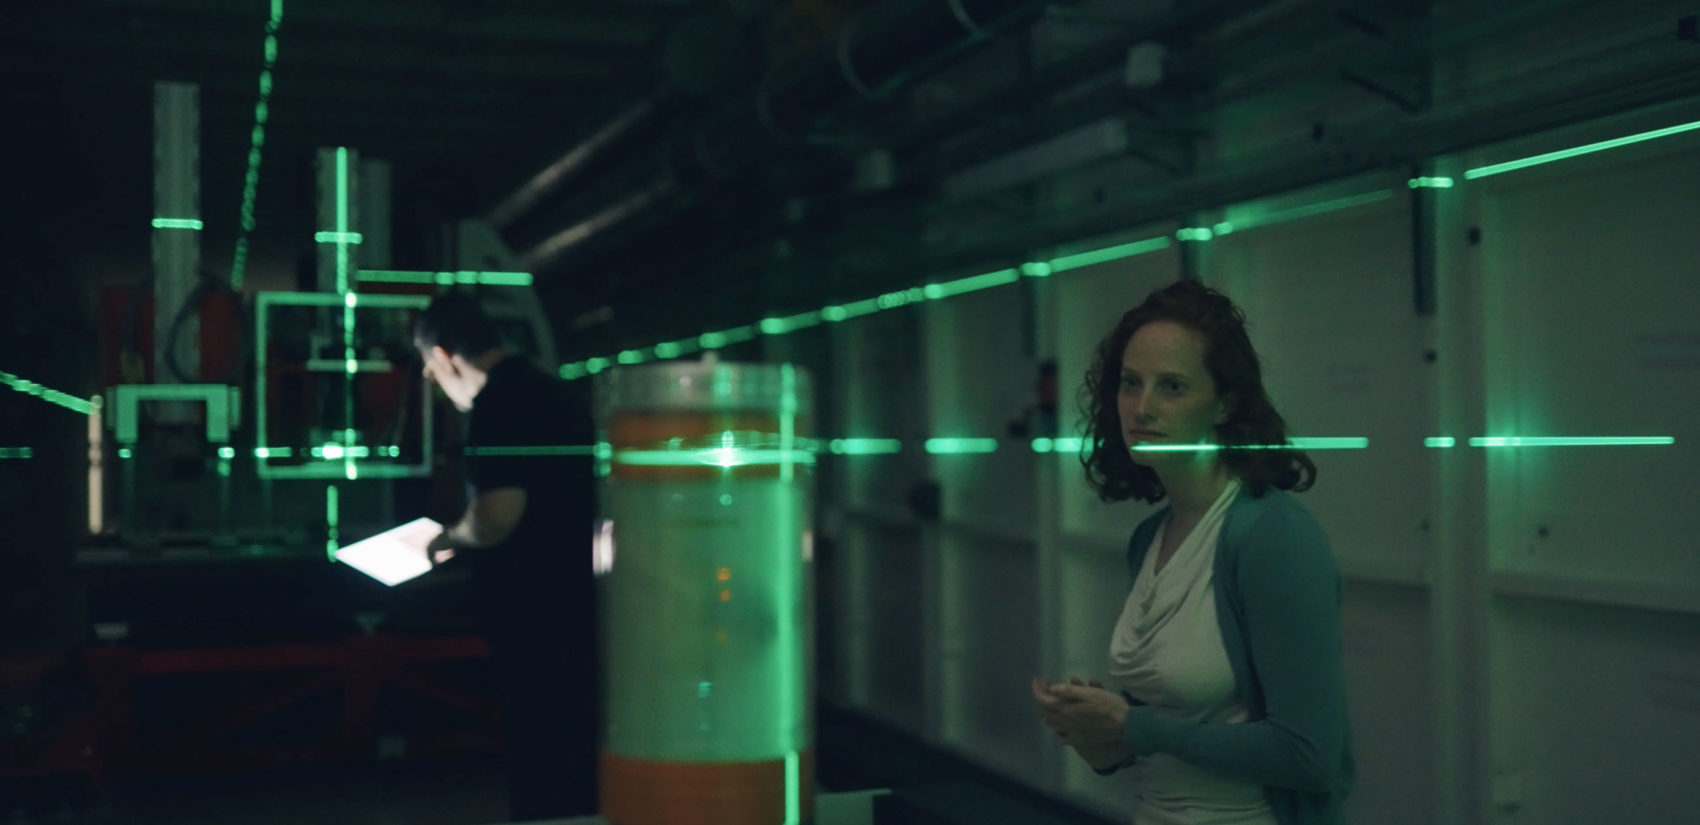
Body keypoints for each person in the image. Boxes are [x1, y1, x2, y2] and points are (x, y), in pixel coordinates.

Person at [1030, 280, 1354, 825]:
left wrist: (1134, 726)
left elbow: (1309, 757)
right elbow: (1168, 732)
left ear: (1225, 403)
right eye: (1130, 383)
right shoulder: (1150, 537)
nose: (1143, 407)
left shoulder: (1273, 536)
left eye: (1173, 387)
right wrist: (1099, 733)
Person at [413, 290, 599, 820]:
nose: (432, 380)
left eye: (430, 368)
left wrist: (448, 538)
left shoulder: (497, 405)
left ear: (445, 356)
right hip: (577, 599)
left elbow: (496, 515)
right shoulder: (551, 392)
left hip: (533, 613)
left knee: (540, 754)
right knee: (573, 749)